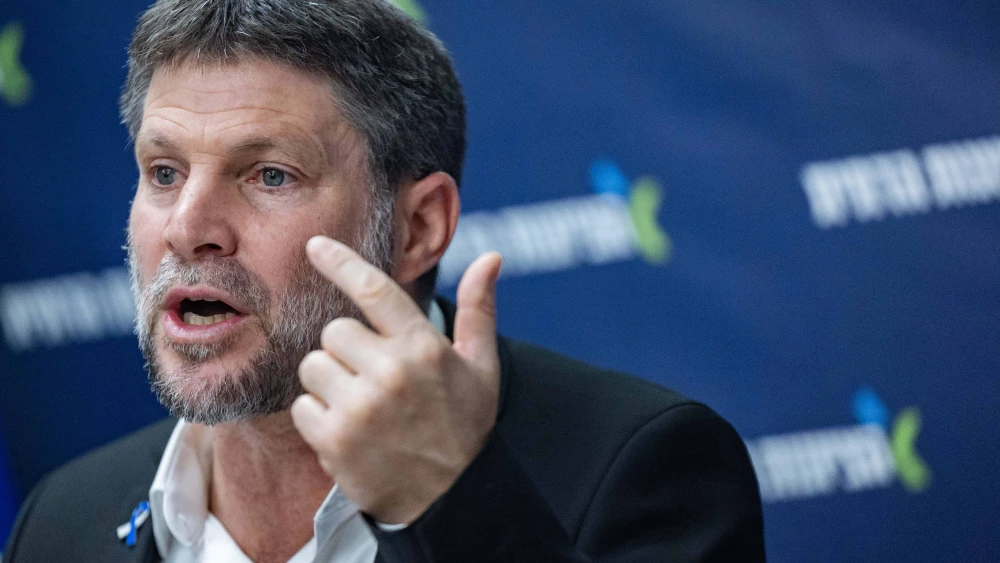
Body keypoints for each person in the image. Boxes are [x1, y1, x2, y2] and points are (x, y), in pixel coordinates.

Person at [2, 1, 766, 561]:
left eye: (270, 174)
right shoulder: (64, 518)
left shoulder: (642, 469)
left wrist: (449, 503)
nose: (187, 226)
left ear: (417, 228)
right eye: (163, 172)